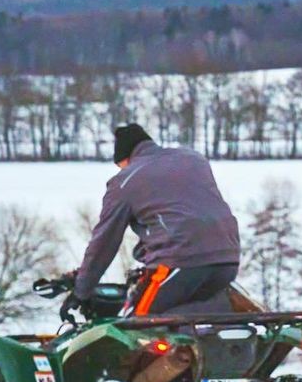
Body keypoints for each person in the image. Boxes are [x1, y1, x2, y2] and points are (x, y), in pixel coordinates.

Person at [72, 123, 241, 317]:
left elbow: (104, 242)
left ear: (124, 158)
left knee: (139, 322)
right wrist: (143, 252)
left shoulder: (124, 181)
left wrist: (81, 291)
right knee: (188, 317)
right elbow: (183, 215)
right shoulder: (194, 159)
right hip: (228, 258)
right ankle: (221, 317)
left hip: (180, 262)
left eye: (120, 166)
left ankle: (215, 315)